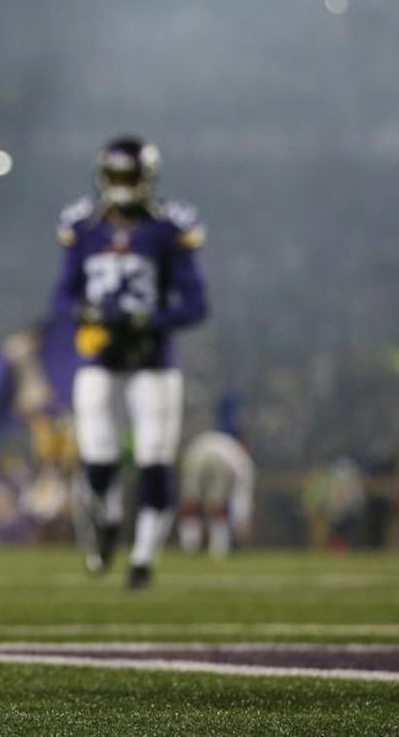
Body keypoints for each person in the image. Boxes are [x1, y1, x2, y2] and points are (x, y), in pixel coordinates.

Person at [52, 136, 208, 589]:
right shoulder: (83, 226)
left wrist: (151, 321)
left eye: (129, 176)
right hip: (100, 358)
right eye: (116, 176)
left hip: (153, 360)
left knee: (155, 459)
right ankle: (109, 523)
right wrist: (85, 312)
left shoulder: (168, 228)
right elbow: (62, 296)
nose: (121, 185)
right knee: (98, 461)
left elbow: (196, 304)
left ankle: (143, 558)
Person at [177, 430, 254, 556]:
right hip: (218, 460)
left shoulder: (226, 443)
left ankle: (189, 547)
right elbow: (242, 497)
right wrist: (241, 524)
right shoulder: (242, 459)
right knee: (216, 505)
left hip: (195, 451)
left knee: (190, 502)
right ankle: (218, 550)